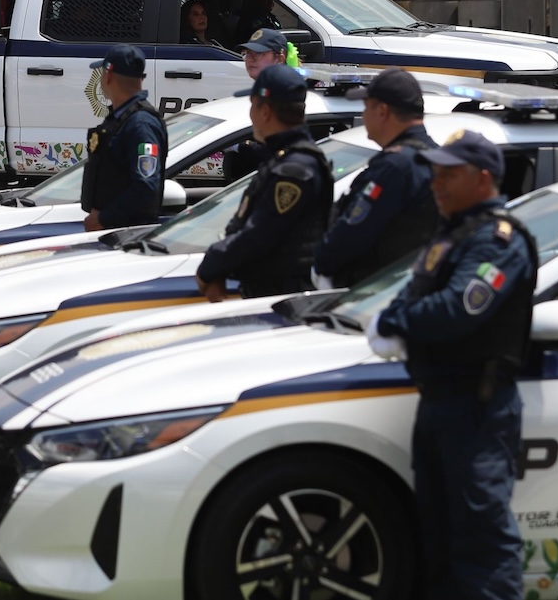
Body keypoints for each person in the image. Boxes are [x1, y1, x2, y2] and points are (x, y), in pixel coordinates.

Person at [367, 130, 536, 600]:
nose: (437, 184)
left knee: (480, 541)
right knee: (436, 539)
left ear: (483, 179)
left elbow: (456, 310)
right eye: (435, 173)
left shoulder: (498, 242)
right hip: (440, 403)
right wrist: (393, 315)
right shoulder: (453, 235)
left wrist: (395, 320)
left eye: (449, 175)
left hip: (477, 409)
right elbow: (417, 291)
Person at [196, 65, 333, 300]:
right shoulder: (283, 158)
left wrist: (212, 265)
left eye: (252, 106)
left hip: (280, 300)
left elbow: (259, 234)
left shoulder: (295, 169)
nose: (250, 114)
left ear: (266, 111)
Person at [312, 67, 439, 289]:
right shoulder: (436, 156)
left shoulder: (395, 166)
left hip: (376, 292)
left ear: (382, 111)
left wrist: (320, 264)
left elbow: (351, 235)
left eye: (366, 107)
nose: (363, 115)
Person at [80, 44, 168, 232]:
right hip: (114, 230)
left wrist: (104, 218)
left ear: (108, 76)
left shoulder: (140, 124)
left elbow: (146, 186)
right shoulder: (122, 118)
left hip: (127, 234)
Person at [221, 28, 290, 181]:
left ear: (280, 58)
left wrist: (239, 146)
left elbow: (278, 151)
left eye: (258, 54)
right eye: (247, 53)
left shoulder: (285, 95)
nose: (250, 59)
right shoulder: (264, 90)